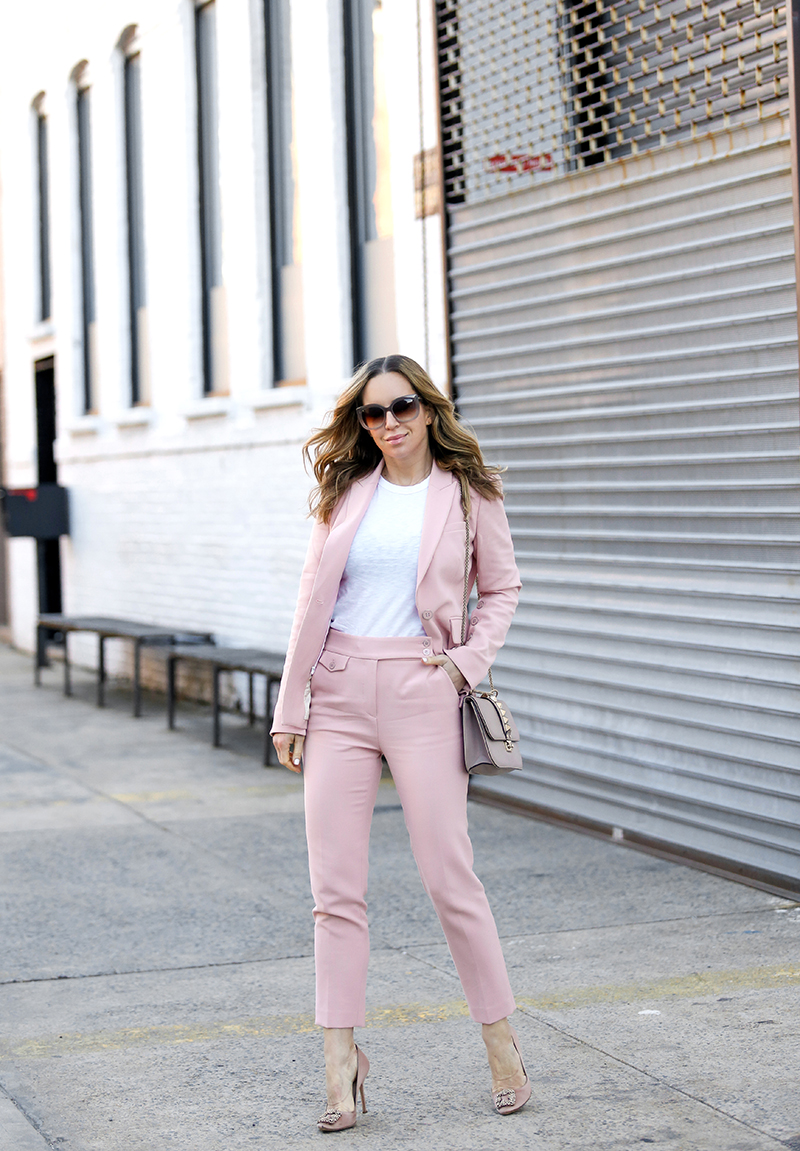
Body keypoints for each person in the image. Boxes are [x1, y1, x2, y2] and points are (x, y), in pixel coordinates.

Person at [271, 354, 530, 1130]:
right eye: (374, 413)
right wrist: (292, 706)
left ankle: (501, 1040)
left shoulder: (469, 492)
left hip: (423, 691)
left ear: (429, 410)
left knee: (451, 877)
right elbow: (310, 600)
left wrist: (463, 665)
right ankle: (340, 1065)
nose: (389, 423)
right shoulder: (345, 492)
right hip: (341, 688)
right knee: (335, 891)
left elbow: (503, 587)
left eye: (403, 407)